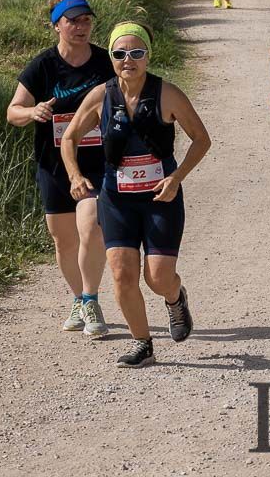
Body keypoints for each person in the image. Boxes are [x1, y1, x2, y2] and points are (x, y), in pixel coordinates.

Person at [62, 21, 211, 368]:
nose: (128, 60)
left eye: (136, 53)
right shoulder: (101, 96)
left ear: (148, 55)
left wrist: (176, 176)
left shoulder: (167, 93)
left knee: (157, 277)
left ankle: (175, 299)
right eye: (119, 53)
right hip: (116, 199)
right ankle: (143, 343)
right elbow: (69, 138)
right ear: (111, 57)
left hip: (161, 197)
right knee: (121, 272)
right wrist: (74, 175)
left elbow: (201, 139)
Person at [7, 0, 112, 339]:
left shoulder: (104, 62)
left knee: (92, 225)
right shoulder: (43, 66)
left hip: (97, 163)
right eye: (73, 21)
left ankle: (93, 300)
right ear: (56, 25)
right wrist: (32, 112)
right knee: (63, 241)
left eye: (86, 20)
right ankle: (79, 298)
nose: (81, 27)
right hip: (52, 164)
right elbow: (13, 111)